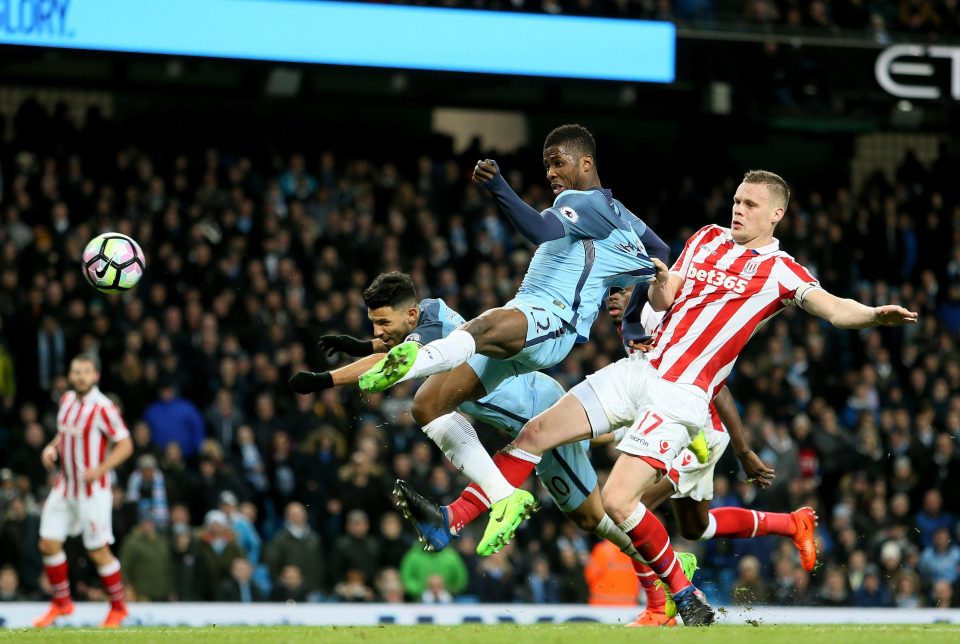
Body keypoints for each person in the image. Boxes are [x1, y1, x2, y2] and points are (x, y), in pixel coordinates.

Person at [473, 170, 917, 626]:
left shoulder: (781, 271)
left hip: (681, 394)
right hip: (641, 369)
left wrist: (872, 315)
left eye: (751, 205)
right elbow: (668, 298)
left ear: (776, 215)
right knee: (538, 430)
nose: (738, 210)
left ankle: (679, 596)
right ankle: (457, 517)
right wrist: (661, 280)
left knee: (619, 503)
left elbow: (835, 309)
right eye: (737, 201)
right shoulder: (706, 238)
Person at [358, 125, 669, 555]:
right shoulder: (620, 217)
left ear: (586, 163)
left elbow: (541, 231)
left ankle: (414, 361)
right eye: (546, 166)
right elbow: (663, 256)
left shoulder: (584, 203)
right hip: (532, 324)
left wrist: (499, 187)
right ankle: (669, 569)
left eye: (558, 162)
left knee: (482, 327)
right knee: (427, 405)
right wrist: (631, 303)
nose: (550, 173)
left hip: (551, 319)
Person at [290, 271, 672, 579]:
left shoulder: (431, 326)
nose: (377, 332)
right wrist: (350, 352)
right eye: (373, 323)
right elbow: (384, 350)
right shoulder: (423, 318)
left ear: (409, 316)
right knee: (589, 518)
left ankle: (664, 561)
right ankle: (664, 559)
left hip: (536, 413)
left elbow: (392, 363)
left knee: (427, 407)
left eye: (381, 323)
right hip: (524, 417)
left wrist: (326, 379)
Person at [34, 354, 134, 628]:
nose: (80, 377)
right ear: (70, 375)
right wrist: (52, 447)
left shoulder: (104, 407)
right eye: (76, 372)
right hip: (64, 487)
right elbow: (64, 433)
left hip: (93, 491)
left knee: (97, 550)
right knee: (48, 543)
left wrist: (102, 469)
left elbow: (125, 445)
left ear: (96, 376)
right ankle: (62, 603)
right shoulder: (66, 400)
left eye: (85, 372)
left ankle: (119, 608)